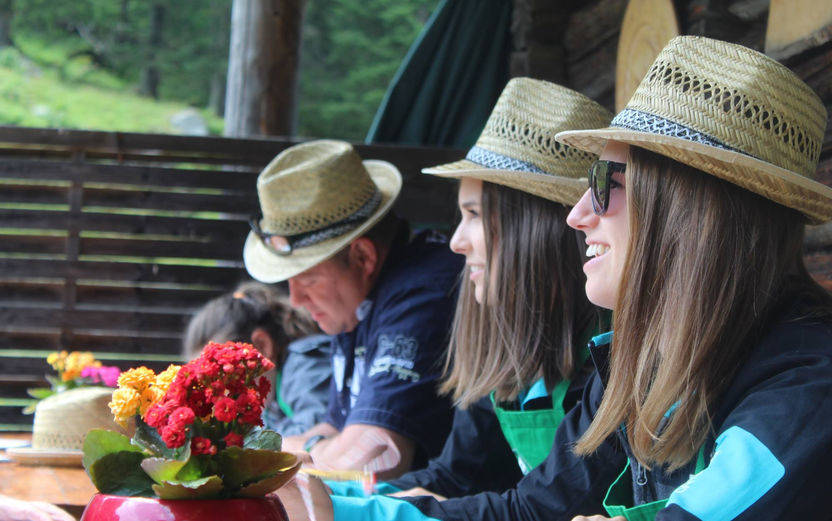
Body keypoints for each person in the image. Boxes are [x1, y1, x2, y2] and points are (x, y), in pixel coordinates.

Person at [282, 36, 832, 521]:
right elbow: (530, 510)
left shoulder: (806, 389)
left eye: (607, 183)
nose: (577, 214)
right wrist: (333, 506)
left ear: (692, 211)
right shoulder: (642, 363)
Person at [321, 78, 612, 504]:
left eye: (474, 214)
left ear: (536, 228)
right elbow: (453, 477)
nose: (456, 242)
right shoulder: (509, 344)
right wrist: (335, 496)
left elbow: (536, 507)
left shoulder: (612, 353)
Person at [243, 140, 461, 478]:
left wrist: (304, 450)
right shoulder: (356, 300)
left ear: (362, 256)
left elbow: (373, 456)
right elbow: (336, 427)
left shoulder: (422, 293)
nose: (296, 300)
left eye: (308, 280)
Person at [182, 281, 331, 436]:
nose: (216, 391)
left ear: (262, 345)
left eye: (222, 372)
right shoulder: (268, 401)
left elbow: (317, 438)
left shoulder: (306, 365)